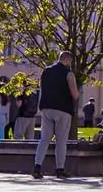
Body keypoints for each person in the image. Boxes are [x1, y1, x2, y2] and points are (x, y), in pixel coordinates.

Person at [34, 51, 79, 179]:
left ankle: (37, 167)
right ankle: (60, 169)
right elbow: (75, 94)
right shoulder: (68, 74)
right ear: (68, 61)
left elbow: (41, 87)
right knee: (61, 141)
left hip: (46, 108)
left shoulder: (46, 71)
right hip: (63, 110)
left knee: (44, 139)